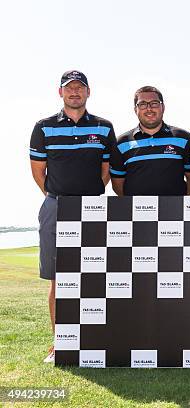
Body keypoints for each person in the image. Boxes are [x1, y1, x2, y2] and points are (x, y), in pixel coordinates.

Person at [29, 70, 116, 363]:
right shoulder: (43, 127)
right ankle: (60, 344)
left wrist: (87, 198)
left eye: (80, 88)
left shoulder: (104, 128)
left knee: (94, 278)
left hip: (92, 208)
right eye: (70, 88)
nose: (75, 92)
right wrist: (61, 199)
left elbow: (106, 172)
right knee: (58, 280)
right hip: (56, 206)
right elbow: (39, 172)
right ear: (60, 93)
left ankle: (94, 339)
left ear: (88, 93)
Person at [110, 86, 190, 196]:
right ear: (136, 109)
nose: (149, 109)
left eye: (154, 103)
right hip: (136, 212)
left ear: (162, 107)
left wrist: (176, 203)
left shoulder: (183, 138)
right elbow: (118, 185)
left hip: (174, 211)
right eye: (143, 104)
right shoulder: (121, 143)